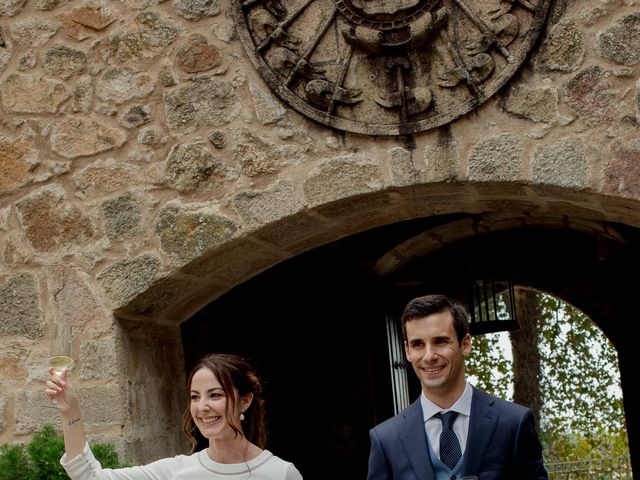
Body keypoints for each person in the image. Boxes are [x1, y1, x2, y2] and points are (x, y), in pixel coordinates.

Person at [367, 294, 549, 480]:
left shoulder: (513, 423)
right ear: (407, 351)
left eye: (440, 341)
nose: (429, 356)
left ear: (465, 344)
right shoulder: (386, 439)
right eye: (418, 344)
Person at [45, 352, 303, 480]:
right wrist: (71, 412)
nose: (202, 407)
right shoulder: (177, 472)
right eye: (194, 396)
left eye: (215, 395)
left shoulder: (281, 474)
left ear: (245, 400)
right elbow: (91, 478)